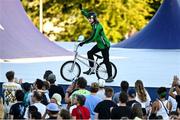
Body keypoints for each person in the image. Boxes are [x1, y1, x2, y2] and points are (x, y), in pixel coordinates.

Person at [78, 4, 113, 82]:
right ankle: (92, 69)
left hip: (105, 45)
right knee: (89, 53)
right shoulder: (93, 22)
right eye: (89, 19)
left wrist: (83, 43)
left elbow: (92, 37)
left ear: (94, 19)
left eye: (90, 19)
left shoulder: (97, 26)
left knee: (106, 61)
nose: (89, 20)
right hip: (99, 45)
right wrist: (82, 10)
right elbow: (87, 15)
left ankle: (110, 76)